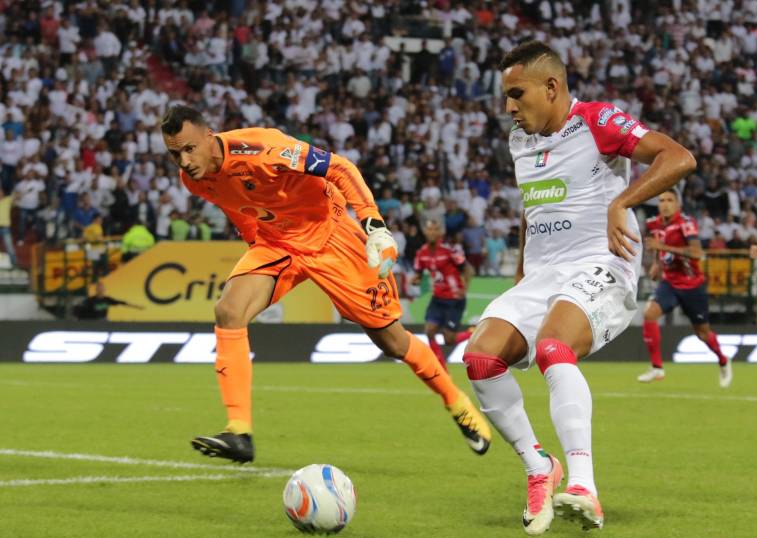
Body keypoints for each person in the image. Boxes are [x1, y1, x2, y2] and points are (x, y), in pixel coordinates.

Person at [160, 105, 491, 464]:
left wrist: (373, 225)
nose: (184, 160)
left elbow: (340, 167)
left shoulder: (262, 148)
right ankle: (239, 430)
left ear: (210, 137)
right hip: (278, 243)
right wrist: (253, 237)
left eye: (189, 148)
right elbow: (235, 203)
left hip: (330, 237)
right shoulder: (193, 179)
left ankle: (456, 402)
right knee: (228, 311)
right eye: (174, 153)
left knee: (392, 340)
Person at [462, 41, 697, 535]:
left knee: (552, 347)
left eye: (516, 93)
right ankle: (539, 468)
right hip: (543, 272)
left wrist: (622, 203)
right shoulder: (519, 140)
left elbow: (679, 158)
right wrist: (523, 271)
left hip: (600, 261)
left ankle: (584, 486)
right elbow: (534, 207)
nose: (508, 106)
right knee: (481, 359)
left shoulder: (598, 120)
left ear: (552, 87)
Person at [638, 190, 732, 387]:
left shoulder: (686, 223)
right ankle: (656, 367)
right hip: (670, 283)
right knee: (649, 314)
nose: (665, 204)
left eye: (669, 200)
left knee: (703, 334)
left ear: (678, 204)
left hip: (692, 286)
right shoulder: (653, 224)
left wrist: (664, 249)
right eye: (661, 200)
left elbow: (697, 253)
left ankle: (723, 361)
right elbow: (658, 247)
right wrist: (657, 263)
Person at [413, 219, 474, 369]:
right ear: (425, 232)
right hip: (437, 298)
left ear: (441, 233)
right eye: (429, 229)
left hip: (454, 300)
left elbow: (468, 269)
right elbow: (419, 274)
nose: (432, 233)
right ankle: (442, 370)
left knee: (449, 340)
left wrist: (464, 289)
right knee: (429, 331)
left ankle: (472, 332)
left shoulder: (450, 250)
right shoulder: (421, 253)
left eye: (435, 229)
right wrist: (415, 280)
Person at [74, 281, 143, 319]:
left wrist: (135, 306)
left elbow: (120, 302)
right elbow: (82, 309)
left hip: (103, 320)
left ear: (104, 289)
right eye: (99, 287)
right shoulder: (91, 300)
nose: (100, 289)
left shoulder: (107, 299)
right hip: (93, 320)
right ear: (96, 289)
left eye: (102, 287)